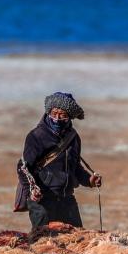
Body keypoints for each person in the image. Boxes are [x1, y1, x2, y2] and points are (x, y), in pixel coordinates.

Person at [21, 92, 102, 231]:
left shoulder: (73, 138)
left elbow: (75, 167)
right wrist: (32, 191)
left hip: (67, 199)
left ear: (70, 116)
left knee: (78, 238)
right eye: (54, 114)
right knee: (45, 241)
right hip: (42, 201)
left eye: (62, 115)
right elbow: (24, 169)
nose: (57, 119)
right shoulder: (36, 137)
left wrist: (89, 180)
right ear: (48, 112)